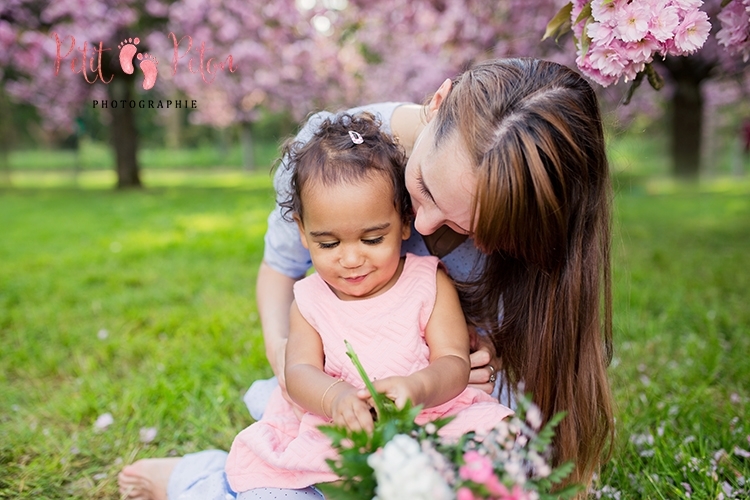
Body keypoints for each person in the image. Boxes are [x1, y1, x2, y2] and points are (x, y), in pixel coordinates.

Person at [118, 57, 614, 500]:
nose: (420, 230)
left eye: (467, 228)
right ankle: (199, 480)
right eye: (423, 190)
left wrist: (472, 360)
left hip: (450, 397)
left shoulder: (517, 205)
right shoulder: (331, 163)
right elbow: (280, 269)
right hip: (339, 385)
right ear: (436, 103)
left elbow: (529, 330)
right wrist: (285, 353)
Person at [224, 112, 513, 495]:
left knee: (496, 452)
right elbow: (298, 371)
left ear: (405, 223)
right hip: (341, 425)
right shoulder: (310, 300)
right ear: (302, 232)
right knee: (277, 480)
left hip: (431, 417)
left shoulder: (429, 281)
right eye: (329, 244)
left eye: (372, 239)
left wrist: (420, 387)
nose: (350, 258)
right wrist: (336, 397)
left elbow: (454, 362)